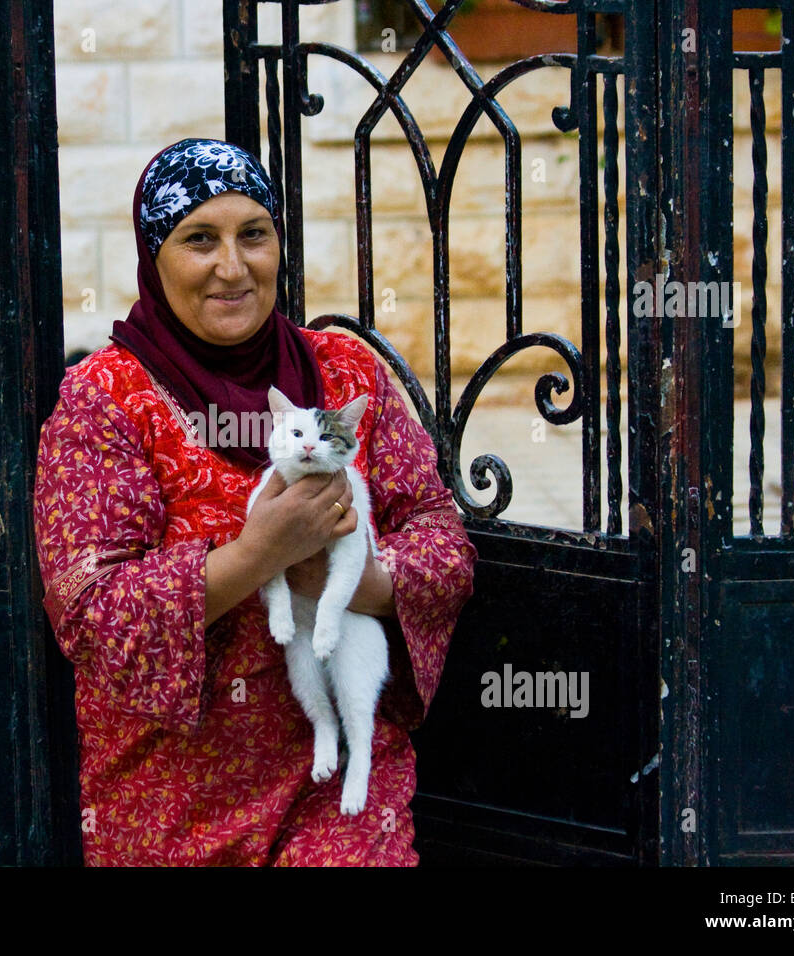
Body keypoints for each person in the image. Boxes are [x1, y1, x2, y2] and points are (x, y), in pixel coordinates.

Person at [32, 138, 477, 865]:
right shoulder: (105, 400)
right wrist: (258, 554)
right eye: (199, 239)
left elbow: (441, 540)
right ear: (155, 256)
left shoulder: (343, 371)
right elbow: (90, 612)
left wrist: (344, 579)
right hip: (173, 792)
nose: (232, 267)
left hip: (335, 779)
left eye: (254, 235)